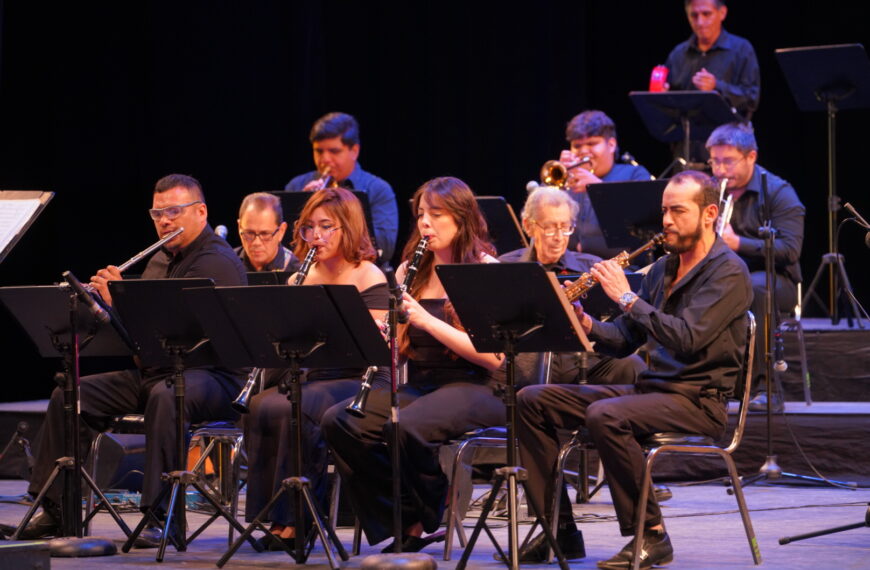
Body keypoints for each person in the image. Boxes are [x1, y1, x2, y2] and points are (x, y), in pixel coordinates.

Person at [516, 170, 752, 567]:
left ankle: (653, 535)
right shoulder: (662, 270)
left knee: (605, 414)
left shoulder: (728, 272)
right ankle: (559, 528)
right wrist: (587, 324)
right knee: (532, 400)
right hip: (652, 393)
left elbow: (687, 339)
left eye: (678, 211)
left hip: (698, 399)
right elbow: (626, 339)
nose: (666, 221)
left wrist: (625, 296)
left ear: (709, 213)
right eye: (664, 211)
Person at [6, 174, 247, 544]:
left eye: (173, 212)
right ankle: (55, 509)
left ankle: (160, 516)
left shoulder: (216, 263)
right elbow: (139, 341)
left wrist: (120, 300)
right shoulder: (160, 259)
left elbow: (179, 333)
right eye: (157, 213)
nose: (164, 221)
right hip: (159, 371)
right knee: (74, 393)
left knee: (168, 397)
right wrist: (101, 308)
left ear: (201, 212)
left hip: (213, 376)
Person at [322, 177, 505, 553]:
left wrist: (426, 321)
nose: (425, 223)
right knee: (340, 421)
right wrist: (384, 337)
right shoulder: (409, 270)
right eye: (421, 214)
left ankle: (429, 513)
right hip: (422, 384)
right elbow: (403, 348)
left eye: (436, 215)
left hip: (479, 386)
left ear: (463, 219)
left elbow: (494, 358)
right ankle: (405, 516)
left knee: (408, 426)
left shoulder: (486, 269)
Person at [242, 187, 389, 550]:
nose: (317, 236)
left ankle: (300, 520)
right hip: (313, 377)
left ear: (350, 229)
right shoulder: (299, 276)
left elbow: (374, 348)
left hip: (357, 379)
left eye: (327, 227)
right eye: (310, 228)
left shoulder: (368, 275)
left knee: (300, 408)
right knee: (261, 404)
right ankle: (272, 517)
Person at [706, 122, 804, 412]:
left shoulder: (778, 192)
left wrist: (738, 244)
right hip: (726, 277)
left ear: (751, 157)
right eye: (715, 161)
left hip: (776, 281)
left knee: (757, 287)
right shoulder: (713, 192)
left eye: (728, 161)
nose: (720, 170)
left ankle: (767, 387)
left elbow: (790, 250)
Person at [285, 112, 399, 263]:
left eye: (334, 151)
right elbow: (286, 246)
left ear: (354, 151)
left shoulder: (378, 189)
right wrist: (305, 205)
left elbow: (386, 247)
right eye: (319, 151)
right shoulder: (297, 186)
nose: (325, 159)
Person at [556, 110, 653, 258]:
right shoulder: (564, 179)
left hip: (623, 269)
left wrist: (598, 190)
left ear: (611, 144)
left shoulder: (634, 174)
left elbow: (643, 227)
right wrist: (555, 185)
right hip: (568, 268)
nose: (583, 151)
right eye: (577, 146)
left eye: (592, 143)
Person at [664, 0, 760, 121]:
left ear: (722, 13)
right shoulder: (678, 53)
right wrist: (662, 93)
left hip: (729, 136)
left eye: (706, 14)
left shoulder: (741, 49)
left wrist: (716, 86)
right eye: (694, 15)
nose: (700, 22)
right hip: (686, 135)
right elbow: (668, 99)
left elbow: (752, 99)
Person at [235, 192, 300, 273]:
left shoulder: (296, 271)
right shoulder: (227, 265)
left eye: (264, 234)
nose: (256, 243)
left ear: (281, 231)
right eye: (250, 233)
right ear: (239, 227)